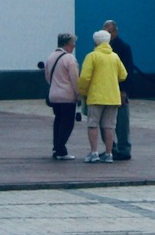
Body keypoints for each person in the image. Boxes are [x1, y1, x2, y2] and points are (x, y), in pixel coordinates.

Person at [77, 30, 127, 163]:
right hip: (112, 97)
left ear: (95, 42)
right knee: (109, 126)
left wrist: (82, 91)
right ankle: (109, 153)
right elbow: (123, 75)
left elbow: (85, 77)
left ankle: (94, 152)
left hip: (96, 96)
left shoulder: (92, 56)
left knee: (93, 124)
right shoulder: (115, 57)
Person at [103, 19, 137, 162]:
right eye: (104, 32)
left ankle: (124, 148)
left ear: (115, 32)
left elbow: (127, 70)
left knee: (122, 122)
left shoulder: (123, 47)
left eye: (108, 32)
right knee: (104, 122)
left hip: (118, 89)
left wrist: (124, 91)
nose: (106, 35)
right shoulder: (101, 48)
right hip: (105, 90)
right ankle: (111, 148)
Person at [43, 32, 79, 160]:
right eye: (72, 43)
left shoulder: (51, 57)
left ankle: (56, 147)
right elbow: (75, 79)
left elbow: (47, 76)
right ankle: (61, 149)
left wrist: (55, 87)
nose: (74, 46)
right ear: (67, 44)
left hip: (54, 95)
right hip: (67, 96)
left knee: (58, 120)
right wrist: (78, 95)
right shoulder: (69, 59)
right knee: (67, 123)